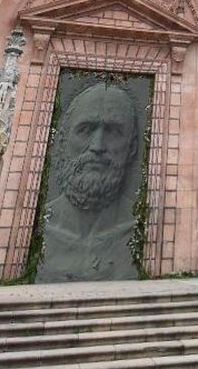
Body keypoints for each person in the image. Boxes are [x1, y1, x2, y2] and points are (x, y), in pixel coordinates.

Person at [36, 83, 143, 282]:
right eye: (85, 130)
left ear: (132, 147)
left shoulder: (140, 229)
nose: (97, 146)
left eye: (113, 132)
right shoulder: (39, 227)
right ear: (62, 141)